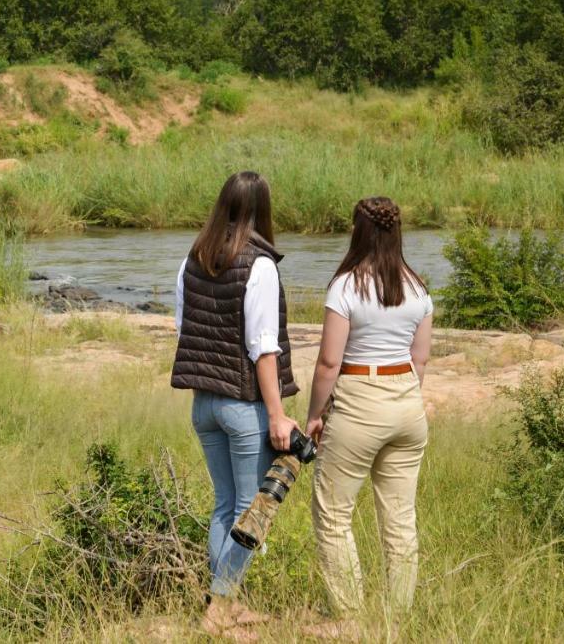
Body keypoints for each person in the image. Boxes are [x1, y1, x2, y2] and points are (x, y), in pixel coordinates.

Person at [171, 171, 300, 638]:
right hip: (242, 406)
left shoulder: (193, 257)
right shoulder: (259, 264)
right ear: (263, 208)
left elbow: (183, 327)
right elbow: (263, 349)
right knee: (251, 510)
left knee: (225, 506)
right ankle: (219, 607)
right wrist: (278, 414)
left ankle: (229, 601)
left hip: (203, 404)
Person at [305, 196, 432, 627]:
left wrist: (314, 415)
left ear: (358, 231)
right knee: (399, 519)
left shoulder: (347, 286)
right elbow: (422, 358)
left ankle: (350, 616)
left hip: (360, 394)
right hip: (407, 399)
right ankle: (397, 618)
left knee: (334, 513)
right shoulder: (417, 287)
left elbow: (328, 363)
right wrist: (405, 396)